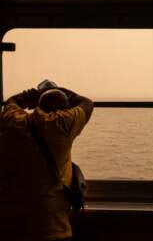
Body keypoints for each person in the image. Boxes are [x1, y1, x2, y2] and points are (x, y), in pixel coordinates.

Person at [0, 85, 93, 241]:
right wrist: (62, 90)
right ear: (64, 109)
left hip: (8, 225)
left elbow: (11, 102)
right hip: (51, 227)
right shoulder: (61, 124)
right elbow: (87, 103)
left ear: (38, 105)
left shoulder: (12, 120)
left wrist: (30, 95)